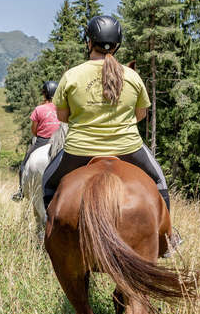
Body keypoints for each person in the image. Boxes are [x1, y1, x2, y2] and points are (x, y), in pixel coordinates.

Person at [41, 15, 171, 219]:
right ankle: (168, 233)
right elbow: (140, 115)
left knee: (47, 182)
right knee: (159, 181)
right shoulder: (132, 76)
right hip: (128, 148)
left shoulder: (72, 75)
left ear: (89, 42)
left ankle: (49, 228)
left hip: (79, 150)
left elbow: (63, 117)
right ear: (117, 45)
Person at [11, 80, 60, 201]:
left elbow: (34, 130)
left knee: (24, 164)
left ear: (44, 94)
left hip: (43, 141)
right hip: (60, 141)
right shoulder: (63, 108)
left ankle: (21, 191)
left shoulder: (39, 109)